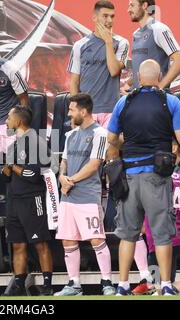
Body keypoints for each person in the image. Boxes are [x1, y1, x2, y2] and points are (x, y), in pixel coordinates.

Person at [107, 59, 180, 296]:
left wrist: (129, 142)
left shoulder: (123, 102)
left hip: (129, 176)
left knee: (128, 234)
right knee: (162, 233)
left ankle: (123, 286)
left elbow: (111, 139)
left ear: (138, 76)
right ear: (159, 77)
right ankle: (166, 284)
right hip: (157, 176)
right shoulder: (170, 101)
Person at [53, 94, 115, 297]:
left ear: (83, 111)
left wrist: (71, 180)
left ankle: (107, 282)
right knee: (68, 240)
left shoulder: (100, 133)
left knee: (96, 239)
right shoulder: (70, 135)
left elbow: (95, 164)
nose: (69, 113)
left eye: (71, 110)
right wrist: (62, 176)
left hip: (88, 195)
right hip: (67, 196)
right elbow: (64, 162)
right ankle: (74, 285)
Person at [132, 140, 180, 295]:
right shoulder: (169, 173)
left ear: (173, 147)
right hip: (178, 230)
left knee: (161, 285)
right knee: (162, 283)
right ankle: (154, 283)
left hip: (166, 232)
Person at [1, 106, 53, 296]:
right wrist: (6, 170)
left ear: (19, 121)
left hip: (33, 198)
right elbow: (7, 175)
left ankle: (47, 285)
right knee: (17, 244)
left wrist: (12, 166)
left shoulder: (37, 143)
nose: (6, 121)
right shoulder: (13, 144)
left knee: (40, 243)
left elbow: (33, 175)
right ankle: (18, 284)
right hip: (14, 199)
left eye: (8, 117)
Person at [68, 1, 129, 128]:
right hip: (86, 111)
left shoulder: (121, 43)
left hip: (111, 110)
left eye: (112, 16)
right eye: (105, 16)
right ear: (94, 18)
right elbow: (74, 82)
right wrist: (75, 112)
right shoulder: (80, 45)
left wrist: (108, 42)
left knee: (108, 148)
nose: (109, 20)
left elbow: (114, 71)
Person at [122, 0, 180, 92]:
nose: (128, 10)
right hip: (137, 99)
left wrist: (160, 88)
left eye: (132, 5)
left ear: (144, 5)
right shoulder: (135, 34)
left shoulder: (159, 29)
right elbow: (139, 69)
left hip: (157, 101)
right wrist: (128, 84)